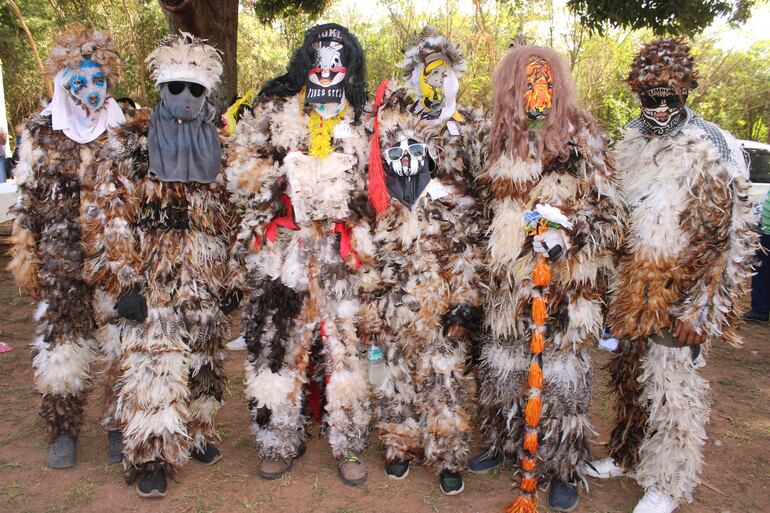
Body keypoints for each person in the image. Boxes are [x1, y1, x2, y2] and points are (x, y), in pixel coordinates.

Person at [586, 38, 757, 513]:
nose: (660, 110)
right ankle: (626, 453)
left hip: (679, 291)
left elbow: (733, 237)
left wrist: (702, 307)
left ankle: (669, 481)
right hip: (631, 289)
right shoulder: (631, 139)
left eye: (670, 99)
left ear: (686, 92)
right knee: (628, 378)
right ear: (638, 94)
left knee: (672, 387)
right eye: (650, 99)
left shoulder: (713, 145)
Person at [470, 45, 624, 512]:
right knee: (502, 369)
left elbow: (611, 213)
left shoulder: (584, 139)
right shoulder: (494, 141)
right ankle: (504, 444)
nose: (535, 93)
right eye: (525, 84)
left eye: (544, 82)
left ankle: (561, 467)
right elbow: (480, 211)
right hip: (508, 288)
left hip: (564, 286)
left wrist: (568, 233)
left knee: (561, 382)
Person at [85, 33, 239, 497]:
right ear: (160, 88)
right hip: (153, 282)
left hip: (206, 278)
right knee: (155, 370)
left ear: (207, 93)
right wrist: (124, 281)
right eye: (176, 87)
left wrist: (232, 278)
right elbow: (108, 214)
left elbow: (237, 216)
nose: (186, 98)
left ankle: (196, 434)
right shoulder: (131, 146)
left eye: (196, 90)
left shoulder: (222, 148)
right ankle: (152, 455)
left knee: (204, 364)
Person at [225, 23, 373, 486]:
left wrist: (345, 197)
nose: (328, 68)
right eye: (319, 58)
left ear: (350, 67)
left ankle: (349, 442)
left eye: (337, 59)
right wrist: (283, 178)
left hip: (340, 253)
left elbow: (377, 186)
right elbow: (242, 169)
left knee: (345, 348)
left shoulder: (364, 119)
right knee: (277, 345)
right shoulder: (275, 111)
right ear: (303, 62)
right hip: (285, 249)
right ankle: (276, 440)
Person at [358, 27, 486, 496]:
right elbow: (365, 243)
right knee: (390, 369)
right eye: (426, 74)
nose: (407, 157)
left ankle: (449, 451)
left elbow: (471, 241)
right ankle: (399, 444)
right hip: (394, 286)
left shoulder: (465, 141)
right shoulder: (381, 187)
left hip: (442, 283)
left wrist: (465, 301)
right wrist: (371, 304)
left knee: (444, 374)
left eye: (445, 73)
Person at [8, 27, 126, 470]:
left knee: (120, 342)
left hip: (114, 260)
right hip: (61, 260)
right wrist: (28, 257)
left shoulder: (122, 128)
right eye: (79, 81)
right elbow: (26, 201)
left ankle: (117, 423)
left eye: (98, 81)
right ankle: (63, 429)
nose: (90, 91)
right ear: (62, 83)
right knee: (63, 347)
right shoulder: (40, 132)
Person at [743, 189, 770, 322]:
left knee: (762, 273)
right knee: (761, 272)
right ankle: (760, 310)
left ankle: (760, 310)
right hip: (766, 233)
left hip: (768, 235)